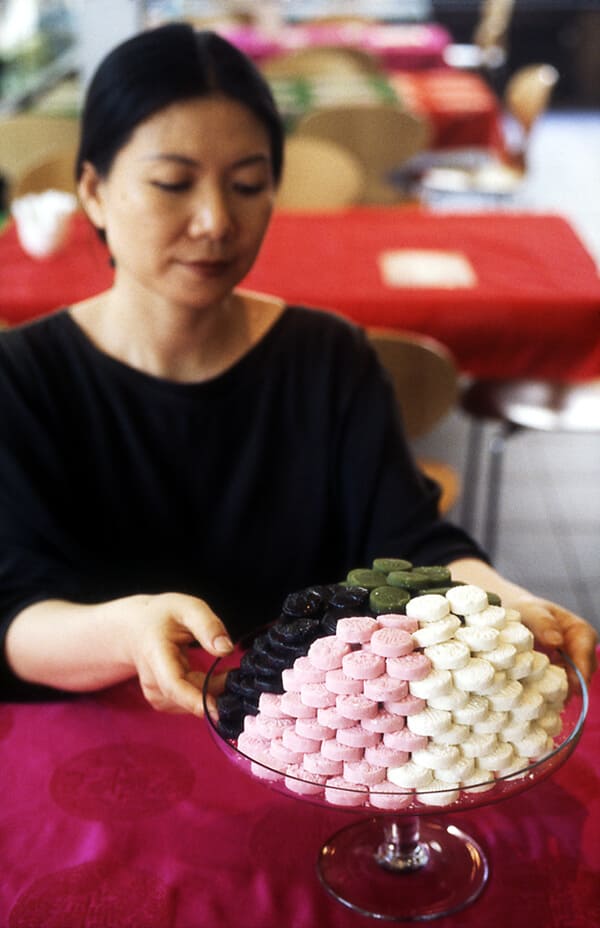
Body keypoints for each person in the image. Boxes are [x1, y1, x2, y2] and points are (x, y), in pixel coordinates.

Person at [0, 24, 595, 716]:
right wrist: (125, 631)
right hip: (96, 729)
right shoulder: (23, 376)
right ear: (94, 191)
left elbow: (413, 543)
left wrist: (501, 601)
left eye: (247, 184)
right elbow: (15, 612)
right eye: (173, 183)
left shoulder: (328, 357)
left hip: (313, 732)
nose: (215, 220)